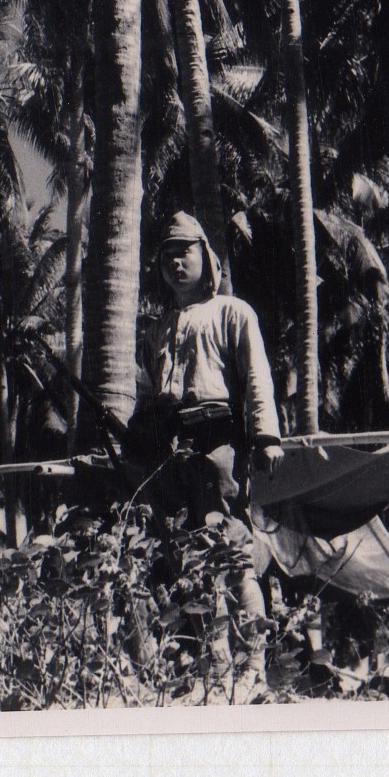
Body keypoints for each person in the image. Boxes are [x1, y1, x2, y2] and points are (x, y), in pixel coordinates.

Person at [130, 211, 284, 700]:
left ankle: (253, 667)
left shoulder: (233, 312)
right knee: (192, 562)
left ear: (206, 257)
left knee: (234, 556)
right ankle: (215, 670)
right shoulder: (157, 330)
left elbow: (257, 377)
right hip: (173, 452)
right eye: (167, 256)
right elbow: (148, 394)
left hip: (220, 445)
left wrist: (266, 436)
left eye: (185, 251)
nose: (176, 263)